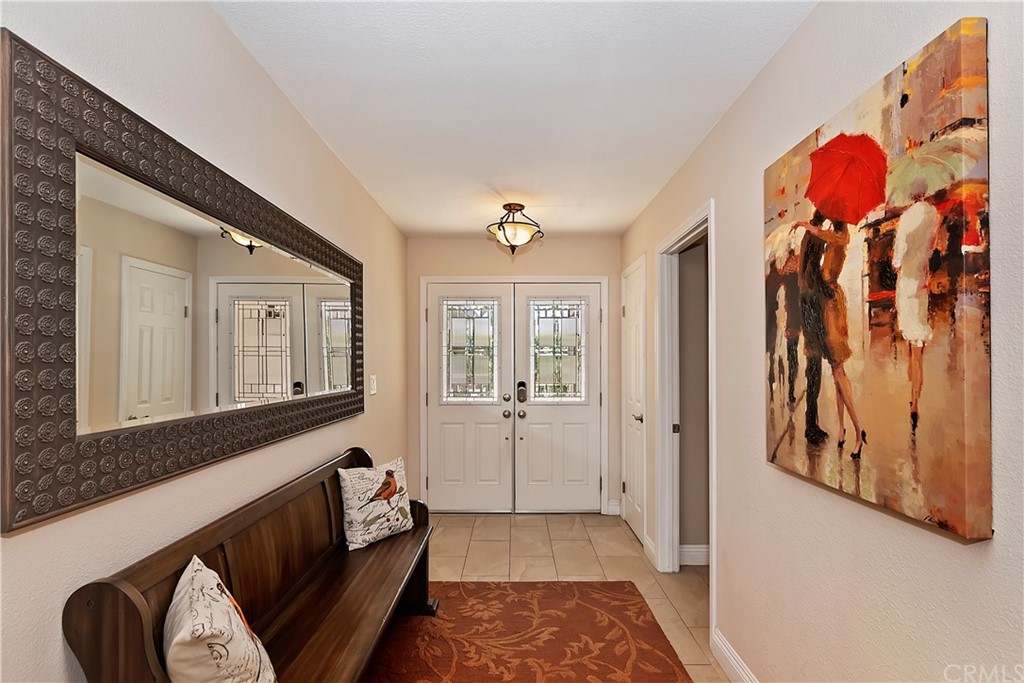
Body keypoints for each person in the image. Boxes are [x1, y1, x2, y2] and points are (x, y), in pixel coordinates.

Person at [798, 212, 867, 458]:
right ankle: (842, 429)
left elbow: (830, 238)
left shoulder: (840, 237)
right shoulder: (835, 237)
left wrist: (810, 228)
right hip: (827, 306)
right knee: (837, 371)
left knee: (838, 370)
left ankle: (859, 432)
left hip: (832, 309)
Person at [893, 186, 940, 431]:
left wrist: (899, 259)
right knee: (918, 343)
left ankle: (912, 398)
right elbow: (932, 248)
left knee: (910, 343)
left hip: (907, 283)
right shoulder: (933, 214)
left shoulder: (906, 217)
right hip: (923, 280)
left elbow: (896, 260)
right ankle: (915, 401)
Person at [797, 211, 830, 444]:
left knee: (813, 366)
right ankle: (811, 426)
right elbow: (812, 273)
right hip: (812, 304)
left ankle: (812, 422)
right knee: (814, 367)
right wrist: (828, 291)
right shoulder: (815, 237)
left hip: (805, 301)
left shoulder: (807, 236)